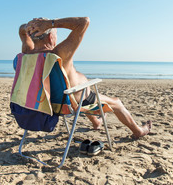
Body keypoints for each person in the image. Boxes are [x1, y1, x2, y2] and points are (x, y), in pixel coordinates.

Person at [19, 17, 151, 139]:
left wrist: (30, 27)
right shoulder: (58, 54)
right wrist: (50, 23)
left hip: (43, 104)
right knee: (115, 102)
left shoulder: (27, 53)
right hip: (70, 103)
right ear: (50, 37)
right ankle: (138, 131)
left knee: (84, 92)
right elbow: (84, 22)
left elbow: (21, 30)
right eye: (55, 35)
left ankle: (96, 122)